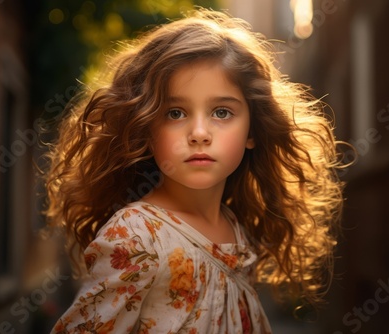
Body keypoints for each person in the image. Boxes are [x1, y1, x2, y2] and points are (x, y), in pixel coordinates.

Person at [44, 8, 345, 334]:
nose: (199, 132)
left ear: (253, 130)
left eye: (221, 111)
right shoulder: (136, 235)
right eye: (175, 112)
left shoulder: (235, 226)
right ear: (145, 129)